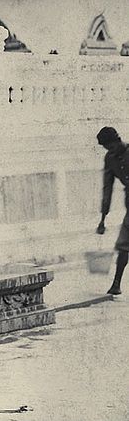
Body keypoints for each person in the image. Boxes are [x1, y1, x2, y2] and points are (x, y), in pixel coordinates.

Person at [96, 126, 129, 295]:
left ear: (118, 140)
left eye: (111, 146)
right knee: (124, 244)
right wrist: (103, 219)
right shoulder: (110, 159)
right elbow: (107, 188)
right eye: (107, 149)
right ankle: (116, 284)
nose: (110, 151)